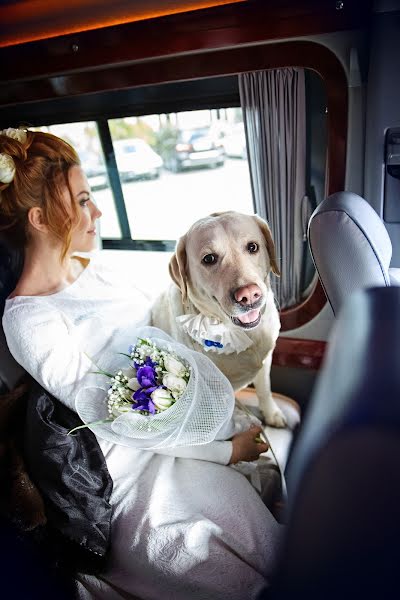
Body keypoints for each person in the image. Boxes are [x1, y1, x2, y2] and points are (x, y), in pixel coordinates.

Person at [0, 127, 281, 600]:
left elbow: (165, 329)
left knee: (272, 547)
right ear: (41, 218)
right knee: (227, 565)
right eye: (85, 199)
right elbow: (119, 421)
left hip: (186, 432)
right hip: (130, 476)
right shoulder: (30, 320)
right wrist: (225, 452)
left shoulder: (99, 267)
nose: (100, 212)